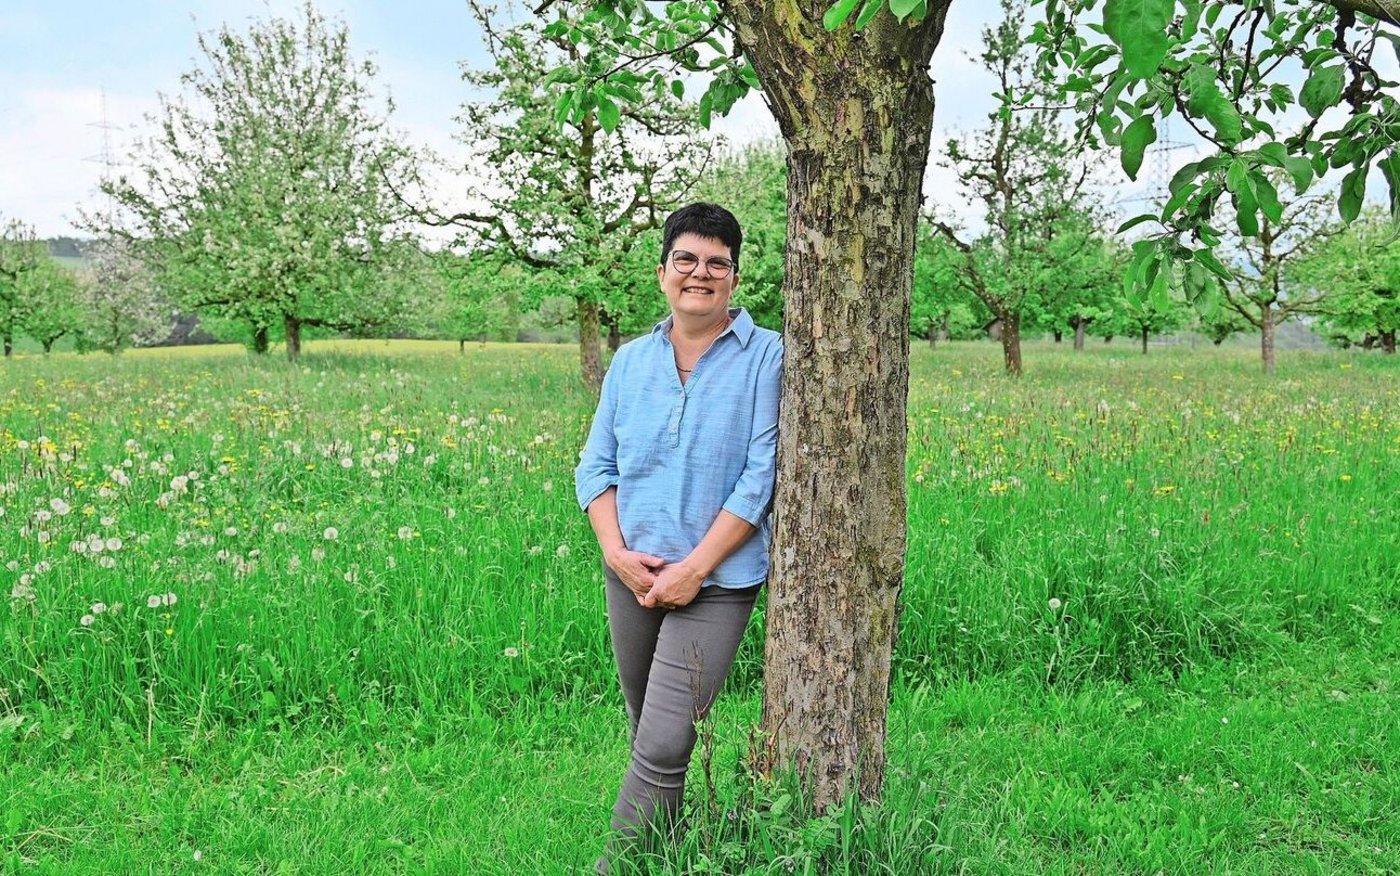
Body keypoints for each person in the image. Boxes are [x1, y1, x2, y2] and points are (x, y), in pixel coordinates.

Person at [573, 202, 783, 868]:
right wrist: (615, 553)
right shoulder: (631, 362)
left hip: (716, 581)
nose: (701, 273)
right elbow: (595, 466)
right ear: (663, 272)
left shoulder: (768, 357)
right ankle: (665, 851)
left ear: (734, 278)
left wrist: (695, 567)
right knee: (651, 735)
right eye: (686, 260)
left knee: (663, 743)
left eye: (717, 263)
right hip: (630, 572)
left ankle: (616, 866)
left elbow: (760, 473)